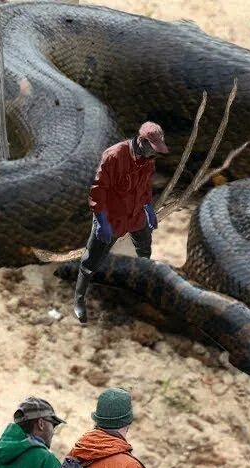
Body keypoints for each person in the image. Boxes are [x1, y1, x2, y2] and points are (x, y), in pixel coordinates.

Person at [73, 121, 170, 324]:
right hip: (112, 216)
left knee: (144, 250)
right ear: (141, 141)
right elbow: (98, 191)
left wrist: (149, 210)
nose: (155, 154)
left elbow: (145, 188)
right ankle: (79, 300)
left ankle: (140, 288)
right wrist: (101, 221)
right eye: (153, 149)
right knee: (91, 261)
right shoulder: (114, 155)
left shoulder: (148, 160)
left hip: (135, 215)